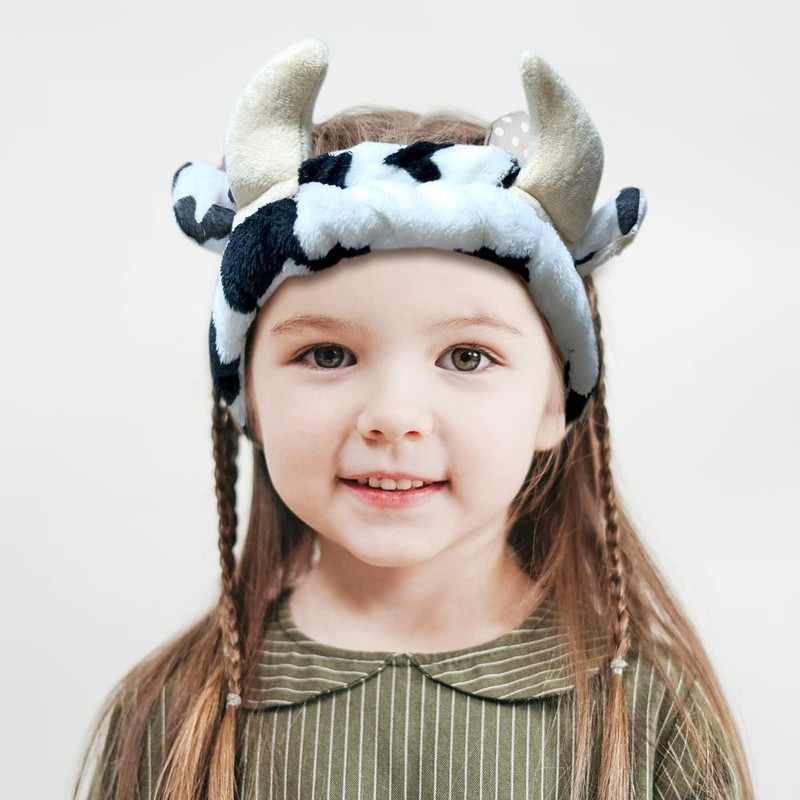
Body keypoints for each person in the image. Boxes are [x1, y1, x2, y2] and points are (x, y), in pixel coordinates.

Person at [75, 38, 754, 800]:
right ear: (250, 395)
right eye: (327, 354)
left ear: (552, 398)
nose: (394, 418)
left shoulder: (651, 714)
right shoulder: (169, 715)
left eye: (466, 356)